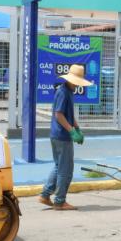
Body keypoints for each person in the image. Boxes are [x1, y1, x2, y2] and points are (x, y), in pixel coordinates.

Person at [39, 63, 92, 211]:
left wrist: (77, 128)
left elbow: (69, 114)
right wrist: (71, 131)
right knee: (66, 170)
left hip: (57, 135)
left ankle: (45, 194)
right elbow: (59, 114)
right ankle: (60, 201)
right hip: (62, 136)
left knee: (58, 166)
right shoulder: (63, 92)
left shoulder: (67, 91)